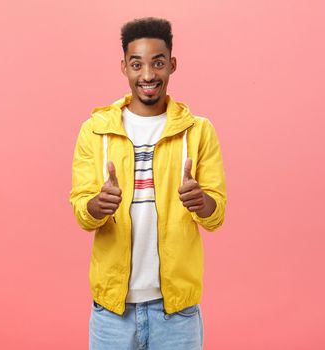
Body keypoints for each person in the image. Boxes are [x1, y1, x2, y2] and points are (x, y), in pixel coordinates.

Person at [69, 17, 227, 350]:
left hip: (176, 311)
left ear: (171, 65)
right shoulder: (95, 131)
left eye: (157, 63)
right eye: (137, 64)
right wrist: (97, 205)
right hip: (112, 311)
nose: (148, 75)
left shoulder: (198, 132)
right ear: (124, 67)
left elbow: (216, 214)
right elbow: (82, 210)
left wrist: (202, 202)